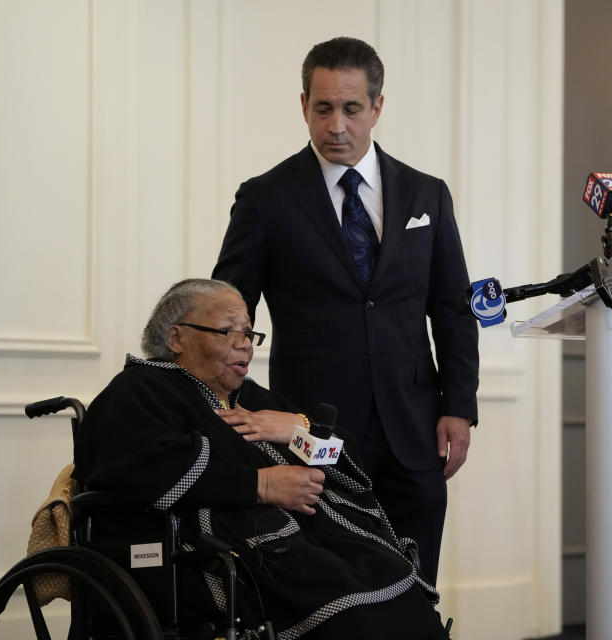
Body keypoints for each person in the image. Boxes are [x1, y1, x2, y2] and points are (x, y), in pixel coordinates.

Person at [211, 36, 479, 585]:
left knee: (416, 585)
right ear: (303, 104)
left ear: (377, 107)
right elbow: (228, 313)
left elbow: (452, 309)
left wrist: (460, 405)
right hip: (312, 433)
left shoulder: (427, 195)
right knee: (328, 592)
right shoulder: (265, 198)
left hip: (414, 430)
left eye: (352, 109)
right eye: (323, 108)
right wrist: (221, 405)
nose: (337, 126)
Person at [73, 279, 448, 639]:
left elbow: (344, 461)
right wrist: (264, 485)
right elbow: (143, 469)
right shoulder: (140, 388)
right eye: (228, 331)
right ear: (176, 338)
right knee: (349, 606)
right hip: (215, 551)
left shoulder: (254, 397)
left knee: (390, 577)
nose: (245, 346)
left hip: (309, 540)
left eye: (248, 333)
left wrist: (298, 428)